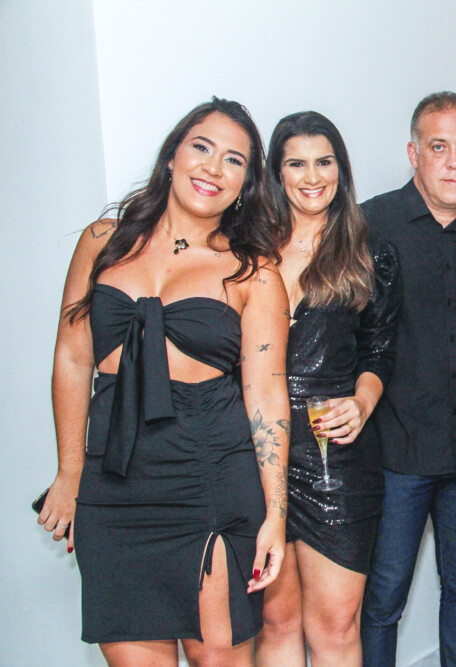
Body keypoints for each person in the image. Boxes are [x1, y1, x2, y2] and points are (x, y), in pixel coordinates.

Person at [38, 97, 289, 665]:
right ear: (172, 155)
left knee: (217, 657)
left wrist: (275, 515)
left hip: (211, 481)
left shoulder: (254, 273)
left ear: (245, 185)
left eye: (234, 160)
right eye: (202, 147)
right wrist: (70, 472)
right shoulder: (102, 241)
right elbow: (72, 359)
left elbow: (267, 396)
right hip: (113, 486)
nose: (213, 168)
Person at [359, 91, 456, 667]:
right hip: (396, 454)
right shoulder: (369, 224)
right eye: (439, 147)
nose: (454, 162)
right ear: (414, 153)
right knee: (383, 596)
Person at [256, 112, 400, 667]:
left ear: (342, 169)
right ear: (277, 172)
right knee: (276, 621)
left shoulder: (369, 250)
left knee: (335, 627)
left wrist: (362, 402)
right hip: (256, 451)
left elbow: (380, 350)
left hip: (334, 455)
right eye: (297, 163)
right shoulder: (247, 249)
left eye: (325, 162)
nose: (312, 176)